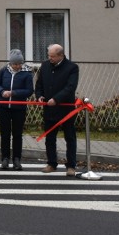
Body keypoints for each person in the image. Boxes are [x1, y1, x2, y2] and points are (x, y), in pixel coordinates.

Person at [35, 44, 80, 176]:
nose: (50, 58)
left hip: (66, 109)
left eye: (53, 56)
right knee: (50, 137)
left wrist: (56, 99)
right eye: (49, 55)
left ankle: (71, 165)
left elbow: (70, 87)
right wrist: (39, 96)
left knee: (70, 137)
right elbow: (39, 85)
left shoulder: (72, 67)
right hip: (49, 109)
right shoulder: (45, 66)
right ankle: (51, 163)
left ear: (60, 55)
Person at [0, 49, 34, 170]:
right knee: (5, 134)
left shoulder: (27, 73)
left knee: (17, 134)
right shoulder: (4, 70)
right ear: (10, 63)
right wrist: (2, 91)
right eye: (14, 64)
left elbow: (29, 90)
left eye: (19, 64)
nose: (17, 66)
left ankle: (17, 159)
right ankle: (5, 158)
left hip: (19, 108)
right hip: (3, 107)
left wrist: (14, 93)